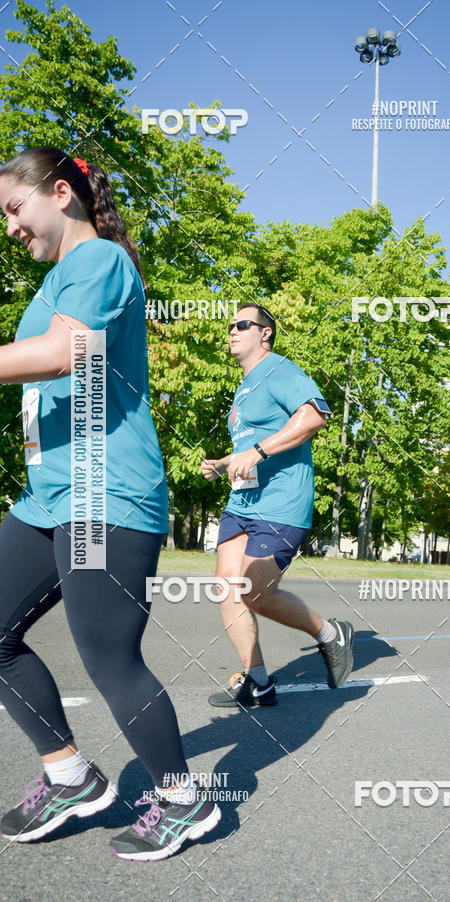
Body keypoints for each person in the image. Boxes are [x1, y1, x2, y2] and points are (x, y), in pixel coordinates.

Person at [0, 147, 220, 860]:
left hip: (102, 496)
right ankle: (69, 775)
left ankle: (182, 800)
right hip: (48, 499)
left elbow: (67, 353)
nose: (8, 228)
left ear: (60, 194)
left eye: (12, 209)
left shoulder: (98, 262)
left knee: (107, 656)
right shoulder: (61, 278)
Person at [201, 303, 354, 708]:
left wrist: (259, 451)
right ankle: (258, 682)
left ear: (264, 333)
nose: (232, 330)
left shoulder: (278, 370)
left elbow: (313, 416)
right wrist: (223, 464)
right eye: (230, 325)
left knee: (254, 592)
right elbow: (249, 447)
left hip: (281, 502)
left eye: (242, 324)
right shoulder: (246, 385)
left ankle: (329, 634)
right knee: (227, 589)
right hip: (243, 501)